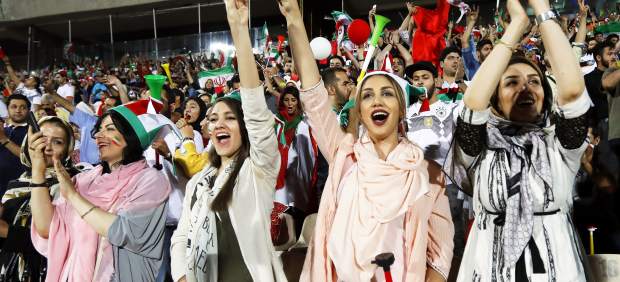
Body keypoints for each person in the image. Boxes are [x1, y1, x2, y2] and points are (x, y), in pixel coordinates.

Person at [278, 0, 454, 281]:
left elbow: (440, 254)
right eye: (368, 95)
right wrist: (294, 20)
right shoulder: (344, 156)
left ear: (400, 108)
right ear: (359, 111)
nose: (376, 101)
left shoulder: (428, 173)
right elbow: (313, 95)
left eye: (387, 93)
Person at [448, 0, 591, 280]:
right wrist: (515, 26)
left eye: (534, 81)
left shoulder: (559, 146)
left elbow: (573, 93)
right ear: (495, 98)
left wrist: (541, 8)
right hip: (490, 270)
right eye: (511, 82)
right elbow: (473, 105)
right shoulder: (481, 147)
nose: (525, 87)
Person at [170, 0, 286, 280]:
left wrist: (238, 28)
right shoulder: (199, 181)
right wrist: (183, 276)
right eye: (212, 119)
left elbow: (257, 112)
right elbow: (181, 236)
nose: (219, 123)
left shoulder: (257, 170)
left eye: (230, 118)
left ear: (245, 129)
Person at [29, 101, 171, 281]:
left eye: (110, 129)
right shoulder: (83, 180)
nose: (99, 136)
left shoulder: (150, 180)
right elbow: (47, 229)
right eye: (99, 130)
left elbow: (124, 232)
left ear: (131, 136)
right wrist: (37, 170)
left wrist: (72, 195)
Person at [0, 116, 80, 281]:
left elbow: (62, 240)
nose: (47, 147)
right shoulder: (16, 184)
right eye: (41, 139)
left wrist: (6, 231)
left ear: (68, 150)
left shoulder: (75, 184)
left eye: (57, 142)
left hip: (47, 272)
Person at [274, 85, 319, 237]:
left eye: (293, 100)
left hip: (300, 178)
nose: (290, 103)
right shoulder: (276, 122)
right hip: (280, 178)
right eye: (286, 100)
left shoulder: (305, 123)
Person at [0, 94, 30, 196]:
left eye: (23, 107)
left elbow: (29, 157)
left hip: (19, 189)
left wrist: (4, 139)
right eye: (14, 107)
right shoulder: (3, 130)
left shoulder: (33, 132)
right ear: (7, 109)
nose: (18, 110)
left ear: (29, 110)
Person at [584, 41, 617, 123]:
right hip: (605, 123)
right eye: (610, 54)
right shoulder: (589, 78)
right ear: (599, 58)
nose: (614, 57)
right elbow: (606, 91)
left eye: (615, 54)